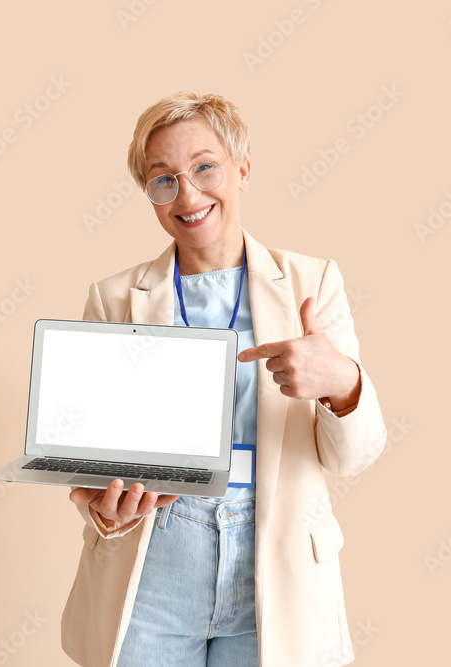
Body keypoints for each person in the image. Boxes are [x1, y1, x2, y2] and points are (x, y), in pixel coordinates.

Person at [60, 91, 387, 667]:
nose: (187, 194)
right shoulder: (112, 299)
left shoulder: (314, 282)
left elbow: (351, 458)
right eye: (163, 179)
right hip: (159, 554)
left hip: (277, 558)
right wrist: (107, 512)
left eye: (205, 167)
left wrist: (341, 380)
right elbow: (101, 464)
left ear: (243, 168)